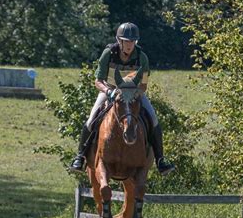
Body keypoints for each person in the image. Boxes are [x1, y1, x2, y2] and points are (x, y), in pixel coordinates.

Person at [70, 22, 175, 176]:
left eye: (132, 41)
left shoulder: (142, 57)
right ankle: (80, 157)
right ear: (120, 41)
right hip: (110, 91)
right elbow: (98, 81)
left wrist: (135, 95)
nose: (129, 45)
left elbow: (143, 85)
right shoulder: (109, 53)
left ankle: (160, 160)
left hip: (133, 93)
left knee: (153, 118)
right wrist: (109, 92)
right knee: (92, 118)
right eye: (126, 41)